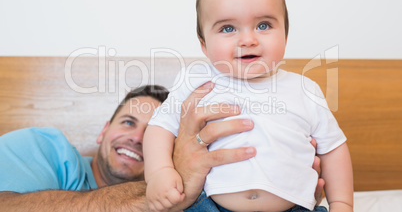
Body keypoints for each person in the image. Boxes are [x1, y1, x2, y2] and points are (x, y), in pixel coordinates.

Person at [144, 0, 353, 212]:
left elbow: (334, 148)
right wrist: (160, 172)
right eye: (228, 28)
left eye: (263, 25)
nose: (248, 40)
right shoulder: (196, 80)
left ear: (285, 33)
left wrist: (342, 203)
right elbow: (159, 127)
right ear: (204, 44)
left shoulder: (304, 88)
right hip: (209, 205)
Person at [0, 84, 259, 211]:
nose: (136, 138)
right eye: (127, 122)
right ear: (104, 130)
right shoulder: (46, 147)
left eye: (152, 133)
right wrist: (154, 196)